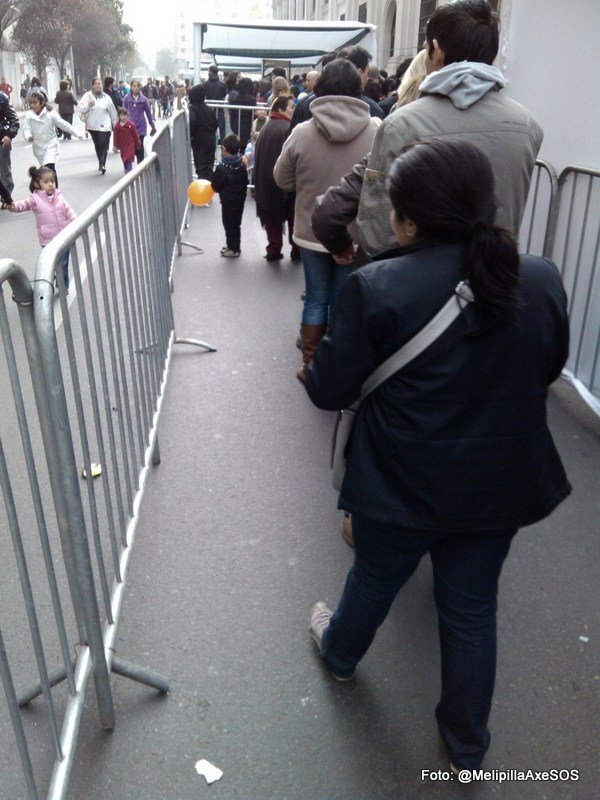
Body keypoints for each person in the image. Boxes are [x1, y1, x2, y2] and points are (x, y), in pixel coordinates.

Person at [305, 137, 571, 774]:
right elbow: (548, 366)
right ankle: (467, 745)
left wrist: (315, 366)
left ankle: (339, 654)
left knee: (374, 576)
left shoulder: (379, 284)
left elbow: (331, 390)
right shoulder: (536, 276)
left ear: (409, 220)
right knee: (472, 608)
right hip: (501, 481)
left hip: (401, 478)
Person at [318, 0, 543, 264]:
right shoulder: (527, 126)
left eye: (425, 48)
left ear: (435, 51)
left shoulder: (403, 124)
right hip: (493, 281)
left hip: (414, 287)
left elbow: (377, 234)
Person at [273, 58, 380, 382]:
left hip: (310, 230)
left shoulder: (303, 131)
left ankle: (309, 364)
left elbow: (281, 179)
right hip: (354, 233)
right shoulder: (377, 129)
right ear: (358, 87)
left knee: (316, 298)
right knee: (342, 300)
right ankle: (337, 366)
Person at [8, 165, 77, 291]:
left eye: (52, 181)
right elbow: (23, 204)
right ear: (37, 184)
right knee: (51, 263)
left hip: (64, 236)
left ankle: (63, 285)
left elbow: (68, 209)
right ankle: (51, 281)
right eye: (46, 182)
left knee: (63, 263)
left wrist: (76, 221)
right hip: (48, 239)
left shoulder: (58, 195)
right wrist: (14, 207)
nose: (51, 184)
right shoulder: (35, 199)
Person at [253, 94, 299, 262]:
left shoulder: (266, 127)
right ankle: (296, 249)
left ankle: (274, 248)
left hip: (266, 181)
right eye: (291, 107)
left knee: (271, 218)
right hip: (287, 183)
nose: (294, 110)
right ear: (280, 109)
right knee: (294, 216)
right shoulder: (289, 128)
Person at [23, 90, 80, 186]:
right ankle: (45, 191)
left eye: (35, 103)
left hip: (51, 145)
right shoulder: (29, 115)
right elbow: (26, 129)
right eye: (30, 103)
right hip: (38, 147)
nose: (32, 105)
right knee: (45, 170)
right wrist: (28, 137)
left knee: (49, 168)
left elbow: (63, 124)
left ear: (42, 103)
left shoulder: (50, 113)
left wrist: (76, 133)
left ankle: (55, 192)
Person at [210, 133, 248, 258]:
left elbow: (215, 186)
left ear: (224, 150)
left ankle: (234, 248)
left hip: (228, 201)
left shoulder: (222, 168)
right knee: (236, 224)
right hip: (240, 200)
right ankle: (233, 245)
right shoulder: (242, 164)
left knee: (228, 224)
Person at [77, 77, 118, 174]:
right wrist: (88, 105)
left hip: (105, 125)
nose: (98, 85)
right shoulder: (88, 96)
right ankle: (101, 161)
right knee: (98, 144)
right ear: (92, 85)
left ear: (102, 85)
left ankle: (102, 164)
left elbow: (112, 112)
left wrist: (116, 125)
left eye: (99, 84)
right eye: (96, 83)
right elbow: (80, 108)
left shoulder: (106, 97)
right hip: (93, 125)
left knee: (103, 144)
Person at [187, 83, 218, 180]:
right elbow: (215, 123)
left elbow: (192, 122)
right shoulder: (209, 109)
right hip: (211, 141)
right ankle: (209, 188)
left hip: (199, 143)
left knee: (201, 168)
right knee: (209, 167)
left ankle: (202, 191)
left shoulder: (192, 109)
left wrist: (191, 135)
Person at [123, 79, 156, 163]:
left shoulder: (144, 99)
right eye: (134, 86)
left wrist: (153, 126)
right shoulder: (127, 98)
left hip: (141, 126)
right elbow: (123, 112)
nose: (136, 88)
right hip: (130, 126)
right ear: (131, 87)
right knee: (132, 146)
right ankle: (130, 165)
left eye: (138, 86)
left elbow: (148, 114)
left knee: (139, 144)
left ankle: (140, 164)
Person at [229, 77, 256, 152]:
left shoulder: (235, 99)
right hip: (248, 125)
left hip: (237, 124)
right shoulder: (252, 99)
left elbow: (232, 114)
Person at [0, 88, 19, 196]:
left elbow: (14, 119)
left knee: (4, 170)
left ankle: (5, 197)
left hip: (2, 139)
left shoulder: (2, 98)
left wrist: (9, 135)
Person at [113, 107, 141, 173]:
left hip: (130, 145)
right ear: (119, 116)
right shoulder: (117, 126)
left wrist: (138, 144)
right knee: (124, 160)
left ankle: (129, 174)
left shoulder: (131, 125)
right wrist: (115, 146)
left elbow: (135, 135)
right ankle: (126, 170)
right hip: (122, 146)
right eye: (121, 115)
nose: (123, 117)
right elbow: (115, 137)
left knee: (129, 159)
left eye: (125, 115)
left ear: (127, 116)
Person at [204, 65, 227, 143]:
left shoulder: (205, 84)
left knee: (209, 130)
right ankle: (223, 147)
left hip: (209, 110)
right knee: (222, 131)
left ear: (210, 72)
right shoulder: (222, 84)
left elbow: (204, 94)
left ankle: (210, 146)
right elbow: (224, 94)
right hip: (220, 109)